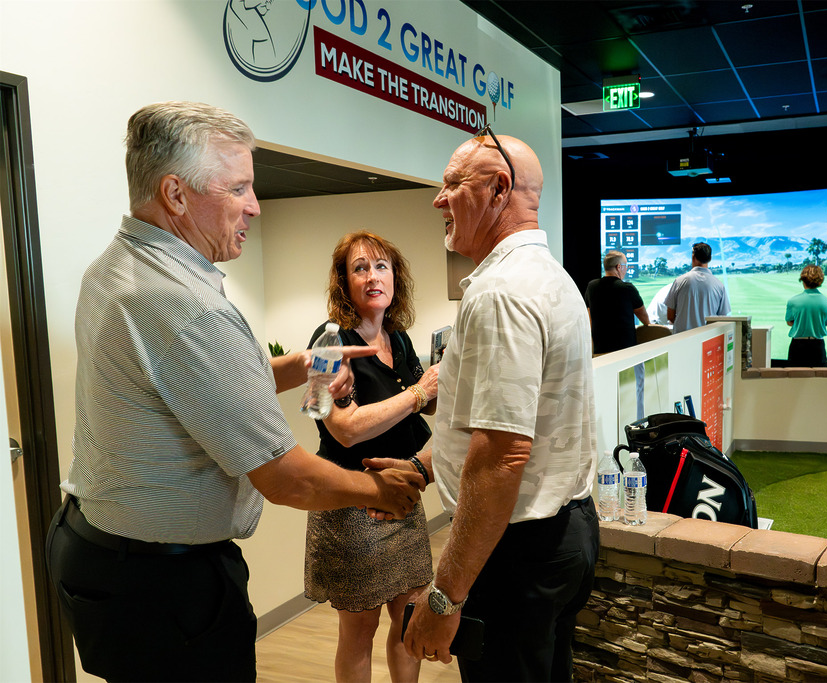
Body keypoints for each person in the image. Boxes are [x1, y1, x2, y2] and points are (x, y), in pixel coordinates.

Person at [44, 101, 424, 683]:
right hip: (164, 585)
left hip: (102, 554)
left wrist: (298, 366)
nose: (254, 206)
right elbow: (285, 477)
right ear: (175, 194)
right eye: (239, 188)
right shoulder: (187, 306)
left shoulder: (116, 265)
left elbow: (196, 389)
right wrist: (382, 489)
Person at [370, 127, 599, 681]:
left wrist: (444, 599)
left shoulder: (500, 293)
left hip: (517, 551)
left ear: (499, 189)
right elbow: (503, 423)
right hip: (559, 537)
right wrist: (424, 467)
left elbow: (503, 456)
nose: (438, 199)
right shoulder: (550, 277)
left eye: (452, 183)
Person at [304, 231, 439, 683]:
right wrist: (421, 393)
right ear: (344, 282)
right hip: (354, 503)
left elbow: (424, 402)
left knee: (410, 622)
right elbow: (343, 429)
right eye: (359, 268)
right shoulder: (327, 343)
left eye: (381, 267)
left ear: (395, 278)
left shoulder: (397, 339)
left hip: (404, 496)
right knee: (359, 632)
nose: (372, 276)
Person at [584, 250, 650, 354]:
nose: (626, 269)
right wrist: (649, 326)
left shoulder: (591, 286)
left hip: (600, 349)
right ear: (619, 267)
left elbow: (589, 316)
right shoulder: (627, 288)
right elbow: (643, 316)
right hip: (625, 351)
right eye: (625, 266)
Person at [665, 241, 731, 333]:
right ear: (710, 258)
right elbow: (722, 318)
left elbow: (670, 316)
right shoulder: (719, 285)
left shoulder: (679, 281)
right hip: (708, 341)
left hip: (682, 340)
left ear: (693, 257)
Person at [785, 264, 827, 366]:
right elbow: (826, 323)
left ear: (803, 280)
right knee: (818, 380)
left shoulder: (793, 301)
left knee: (795, 379)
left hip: (798, 347)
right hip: (818, 346)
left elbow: (789, 322)